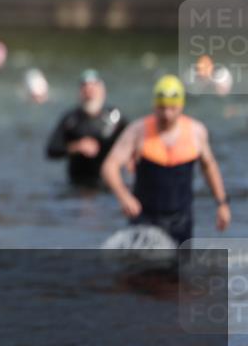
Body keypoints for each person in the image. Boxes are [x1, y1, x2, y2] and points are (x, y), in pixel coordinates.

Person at [101, 75, 230, 246]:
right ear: (155, 105)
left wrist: (221, 203)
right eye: (162, 108)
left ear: (181, 105)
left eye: (172, 108)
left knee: (178, 270)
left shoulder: (196, 132)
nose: (167, 114)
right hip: (144, 218)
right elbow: (109, 166)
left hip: (181, 218)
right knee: (142, 271)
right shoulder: (138, 131)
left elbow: (209, 166)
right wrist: (124, 196)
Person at [46, 69, 127, 188]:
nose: (89, 93)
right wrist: (76, 146)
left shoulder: (115, 117)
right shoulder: (71, 119)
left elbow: (133, 144)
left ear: (102, 90)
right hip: (77, 182)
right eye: (85, 89)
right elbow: (51, 150)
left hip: (108, 183)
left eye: (93, 88)